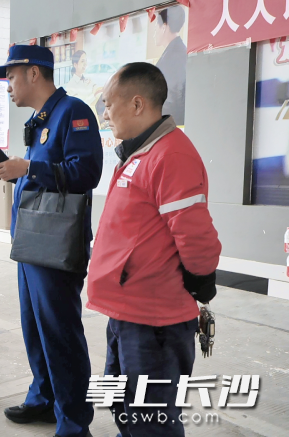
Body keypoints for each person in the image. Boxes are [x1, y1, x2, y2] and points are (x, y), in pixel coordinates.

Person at [87, 62, 221, 436]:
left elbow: (196, 236)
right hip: (127, 313)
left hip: (154, 321)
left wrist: (201, 279)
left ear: (137, 104)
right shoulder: (140, 152)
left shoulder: (170, 156)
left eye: (109, 104)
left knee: (152, 418)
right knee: (124, 405)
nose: (105, 113)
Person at [0, 45, 102, 437]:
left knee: (60, 332)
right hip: (32, 243)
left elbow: (85, 172)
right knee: (34, 326)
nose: (8, 86)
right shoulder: (40, 118)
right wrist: (15, 172)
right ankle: (44, 399)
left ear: (35, 73)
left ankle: (73, 422)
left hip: (56, 246)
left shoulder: (74, 112)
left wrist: (29, 166)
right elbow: (50, 178)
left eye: (12, 77)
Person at [154, 6, 187, 126]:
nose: (154, 33)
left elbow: (171, 100)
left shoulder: (172, 57)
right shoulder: (179, 51)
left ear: (163, 27)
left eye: (155, 27)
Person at [64, 50, 103, 115]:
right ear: (75, 65)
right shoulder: (71, 85)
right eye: (82, 61)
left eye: (85, 61)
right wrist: (94, 95)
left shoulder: (88, 79)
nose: (85, 64)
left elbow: (96, 88)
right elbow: (81, 104)